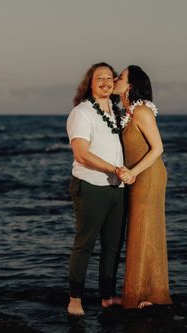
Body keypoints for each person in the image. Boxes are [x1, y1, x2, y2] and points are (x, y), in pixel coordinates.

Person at [66, 62, 127, 316]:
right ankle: (75, 300)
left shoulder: (115, 111)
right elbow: (81, 154)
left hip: (117, 188)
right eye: (98, 78)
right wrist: (114, 169)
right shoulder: (82, 113)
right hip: (91, 186)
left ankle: (107, 297)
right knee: (85, 245)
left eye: (108, 78)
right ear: (89, 83)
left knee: (113, 245)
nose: (104, 82)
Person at [113, 65, 173, 309]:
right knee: (138, 230)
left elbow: (158, 148)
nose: (115, 79)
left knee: (145, 229)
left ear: (130, 85)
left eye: (120, 77)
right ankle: (135, 294)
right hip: (136, 177)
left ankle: (149, 295)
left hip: (148, 176)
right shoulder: (126, 112)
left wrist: (132, 172)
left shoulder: (142, 111)